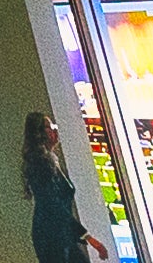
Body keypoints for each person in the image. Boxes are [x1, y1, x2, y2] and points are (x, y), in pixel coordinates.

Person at [21, 112, 110, 263]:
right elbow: (53, 204)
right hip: (51, 237)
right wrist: (88, 237)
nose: (55, 131)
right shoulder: (40, 163)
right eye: (50, 127)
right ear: (40, 133)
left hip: (60, 234)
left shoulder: (50, 160)